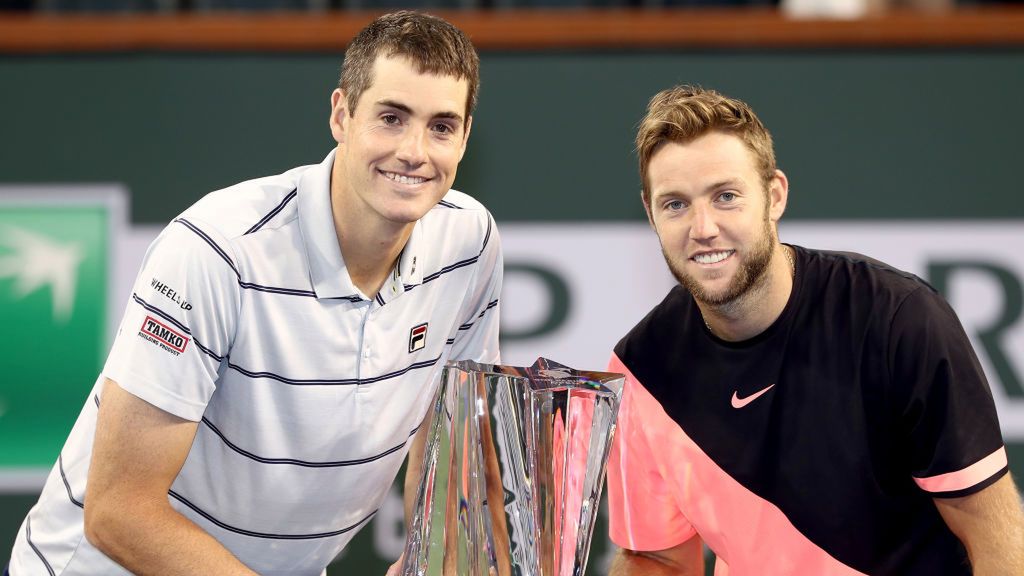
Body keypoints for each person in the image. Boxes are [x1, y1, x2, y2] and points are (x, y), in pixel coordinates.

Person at [7, 11, 501, 576]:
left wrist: (433, 561)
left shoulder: (470, 242)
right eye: (391, 118)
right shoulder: (217, 248)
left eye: (441, 126)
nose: (415, 151)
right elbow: (119, 512)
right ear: (341, 114)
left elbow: (452, 442)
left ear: (464, 137)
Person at [606, 85, 1024, 575]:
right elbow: (659, 559)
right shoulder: (640, 371)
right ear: (650, 214)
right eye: (675, 204)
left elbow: (997, 541)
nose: (703, 227)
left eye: (726, 196)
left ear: (775, 195)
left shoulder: (899, 321)